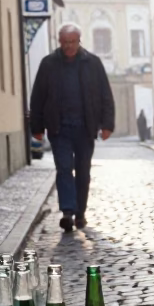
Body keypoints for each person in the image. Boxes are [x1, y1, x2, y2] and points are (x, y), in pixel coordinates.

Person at [30, 23, 114, 231]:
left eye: (72, 42)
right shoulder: (48, 64)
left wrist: (107, 124)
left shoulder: (92, 63)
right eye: (65, 42)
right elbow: (38, 97)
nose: (68, 46)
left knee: (83, 171)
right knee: (64, 168)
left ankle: (80, 213)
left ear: (79, 41)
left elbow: (105, 94)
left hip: (85, 127)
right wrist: (37, 127)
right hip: (59, 128)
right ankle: (67, 211)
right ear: (59, 42)